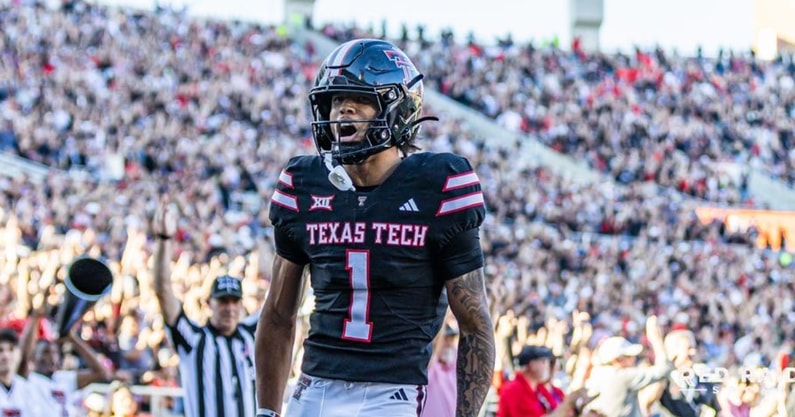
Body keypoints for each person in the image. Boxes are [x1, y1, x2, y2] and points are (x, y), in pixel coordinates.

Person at [255, 38, 495, 417]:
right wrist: (267, 412)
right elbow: (278, 314)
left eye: (359, 98)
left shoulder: (440, 184)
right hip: (313, 388)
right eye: (335, 100)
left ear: (397, 109)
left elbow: (474, 322)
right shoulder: (303, 183)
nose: (342, 110)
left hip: (392, 395)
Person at [152, 200, 259, 417]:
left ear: (241, 304)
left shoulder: (252, 333)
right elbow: (163, 291)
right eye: (222, 302)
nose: (229, 308)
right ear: (208, 303)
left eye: (233, 302)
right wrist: (164, 240)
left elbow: (283, 308)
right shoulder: (194, 339)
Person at [585, 316, 672, 417]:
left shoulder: (598, 374)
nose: (633, 359)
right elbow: (664, 370)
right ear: (616, 360)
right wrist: (656, 340)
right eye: (629, 356)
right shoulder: (620, 376)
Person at [497, 345, 591, 417]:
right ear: (532, 365)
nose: (547, 366)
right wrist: (568, 402)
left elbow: (555, 410)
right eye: (544, 362)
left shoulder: (539, 388)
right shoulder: (513, 389)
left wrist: (576, 406)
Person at [0, 327, 41, 416]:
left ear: (19, 354)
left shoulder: (27, 389)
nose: (6, 356)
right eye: (0, 350)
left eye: (11, 350)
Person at [423, 324, 460, 417]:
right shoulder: (430, 369)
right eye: (446, 339)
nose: (449, 343)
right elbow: (432, 359)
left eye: (451, 339)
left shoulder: (453, 367)